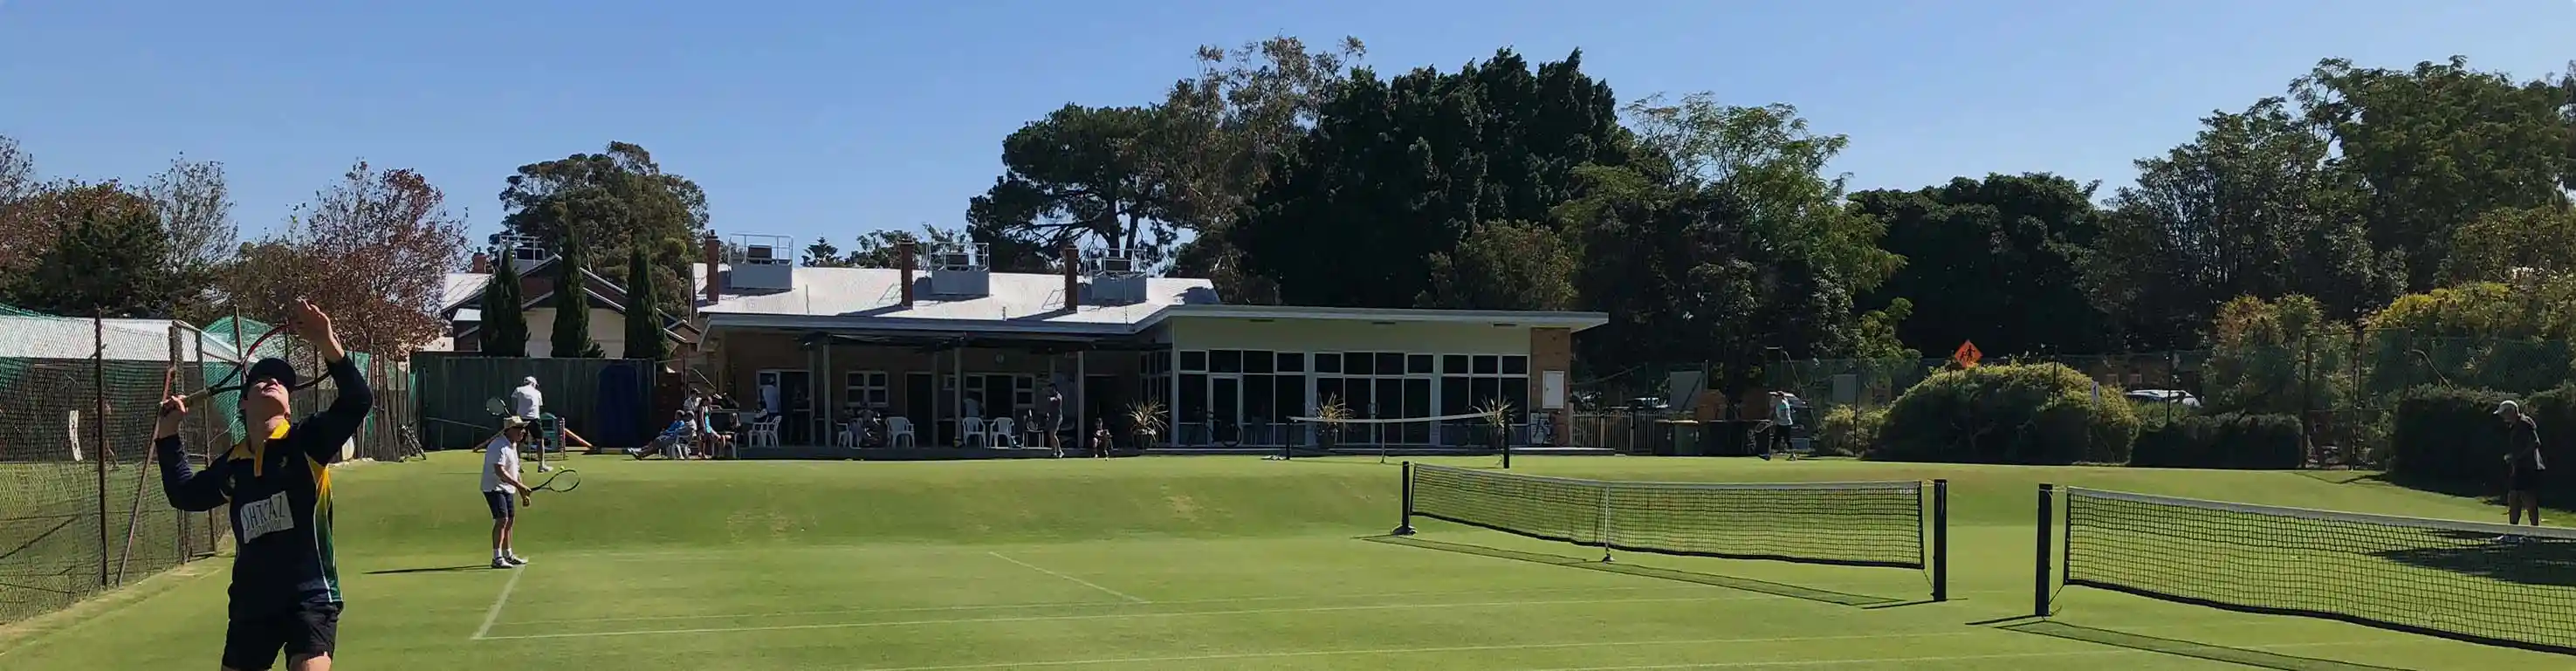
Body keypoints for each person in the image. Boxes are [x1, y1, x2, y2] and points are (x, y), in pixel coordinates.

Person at [154, 299, 373, 671]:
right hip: (251, 604)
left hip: (310, 597)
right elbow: (185, 495)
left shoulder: (307, 443)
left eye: (283, 384)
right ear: (242, 404)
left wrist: (326, 343)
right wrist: (168, 433)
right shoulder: (233, 465)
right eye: (261, 380)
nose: (273, 382)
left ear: (288, 407)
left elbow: (357, 400)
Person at [484, 418, 533, 569]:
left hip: (507, 487)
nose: (523, 432)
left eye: (523, 429)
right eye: (519, 428)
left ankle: (508, 555)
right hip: (494, 487)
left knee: (510, 520)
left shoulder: (512, 446)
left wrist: (522, 492)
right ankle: (497, 558)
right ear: (509, 430)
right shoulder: (498, 446)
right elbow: (500, 471)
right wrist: (520, 486)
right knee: (502, 520)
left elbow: (515, 471)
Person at [2500, 400, 2547, 530]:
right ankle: (2513, 532)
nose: (2502, 417)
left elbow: (2535, 442)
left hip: (2529, 467)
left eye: (2504, 413)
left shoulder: (2525, 424)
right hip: (2519, 467)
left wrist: (2518, 457)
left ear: (2511, 412)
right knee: (2513, 498)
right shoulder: (2514, 426)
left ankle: (2534, 531)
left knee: (2528, 500)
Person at [1037, 382, 1065, 458]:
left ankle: (1060, 451)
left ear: (1055, 389)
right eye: (1050, 389)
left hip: (1057, 418)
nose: (1051, 390)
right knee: (1051, 435)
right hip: (1052, 417)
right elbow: (1049, 407)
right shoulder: (1050, 396)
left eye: (1052, 389)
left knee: (1052, 434)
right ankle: (1054, 452)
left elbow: (1057, 400)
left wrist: (1051, 399)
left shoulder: (1058, 396)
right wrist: (1047, 414)